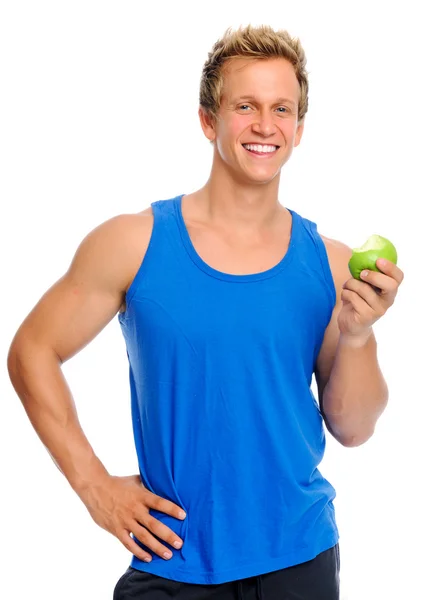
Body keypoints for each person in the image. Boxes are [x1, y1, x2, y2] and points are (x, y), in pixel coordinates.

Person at [7, 24, 404, 600]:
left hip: (299, 559)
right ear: (208, 120)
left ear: (298, 129)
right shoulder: (133, 243)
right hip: (171, 560)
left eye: (281, 109)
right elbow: (32, 350)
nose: (265, 125)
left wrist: (360, 334)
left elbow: (354, 428)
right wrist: (93, 485)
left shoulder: (332, 263)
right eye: (245, 106)